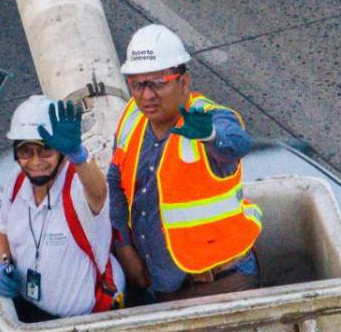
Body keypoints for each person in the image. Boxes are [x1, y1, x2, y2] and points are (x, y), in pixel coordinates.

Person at [108, 24, 264, 302]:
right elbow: (115, 181)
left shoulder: (206, 119)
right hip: (164, 284)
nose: (147, 96)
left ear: (184, 81)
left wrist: (211, 135)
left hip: (223, 285)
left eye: (158, 83)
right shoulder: (132, 117)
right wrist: (123, 247)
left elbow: (238, 144)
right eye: (137, 84)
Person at [0, 96, 123, 322]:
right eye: (26, 151)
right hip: (29, 312)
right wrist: (1, 265)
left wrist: (78, 157)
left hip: (85, 322)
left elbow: (98, 192)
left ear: (61, 151)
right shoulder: (17, 181)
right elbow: (1, 230)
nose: (36, 162)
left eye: (46, 150)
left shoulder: (77, 186)